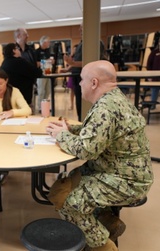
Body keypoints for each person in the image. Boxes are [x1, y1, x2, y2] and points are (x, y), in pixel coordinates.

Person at [46, 60, 153, 251]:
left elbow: (86, 150)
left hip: (126, 179)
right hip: (114, 169)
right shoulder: (113, 98)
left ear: (94, 83)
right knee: (60, 189)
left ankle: (103, 247)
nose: (79, 84)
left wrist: (61, 135)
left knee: (72, 203)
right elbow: (98, 132)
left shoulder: (106, 107)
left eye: (81, 80)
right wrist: (72, 129)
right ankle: (108, 223)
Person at [62, 24, 106, 121]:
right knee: (79, 105)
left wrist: (72, 63)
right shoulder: (81, 44)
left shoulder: (96, 43)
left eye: (83, 27)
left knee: (87, 106)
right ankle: (81, 123)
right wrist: (68, 68)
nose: (80, 30)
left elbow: (92, 62)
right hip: (78, 78)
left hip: (89, 80)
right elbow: (77, 61)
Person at [0, 43, 41, 108]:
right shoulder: (20, 62)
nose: (20, 51)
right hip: (23, 96)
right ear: (14, 50)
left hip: (9, 96)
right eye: (18, 49)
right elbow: (36, 73)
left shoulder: (4, 63)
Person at [14, 28, 43, 113]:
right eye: (25, 34)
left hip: (30, 85)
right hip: (17, 85)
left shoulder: (30, 50)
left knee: (29, 106)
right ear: (19, 36)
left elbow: (34, 65)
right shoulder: (13, 50)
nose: (28, 36)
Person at [35, 35, 54, 112]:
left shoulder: (48, 51)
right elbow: (36, 63)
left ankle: (45, 105)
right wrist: (46, 61)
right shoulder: (37, 52)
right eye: (48, 42)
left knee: (48, 90)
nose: (49, 43)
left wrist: (51, 61)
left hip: (48, 72)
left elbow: (50, 60)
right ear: (44, 42)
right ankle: (40, 106)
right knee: (41, 90)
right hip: (41, 74)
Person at [146, 40, 160, 109]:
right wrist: (149, 76)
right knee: (154, 90)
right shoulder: (154, 53)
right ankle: (153, 105)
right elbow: (149, 64)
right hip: (155, 78)